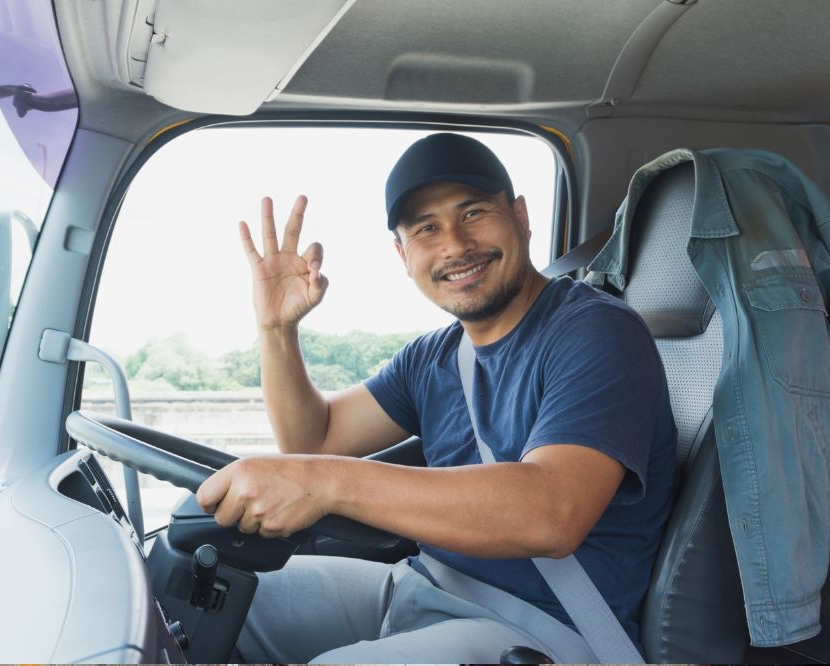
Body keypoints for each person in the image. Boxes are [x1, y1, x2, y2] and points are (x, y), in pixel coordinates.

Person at [197, 132, 679, 663]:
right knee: (212, 597)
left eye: (473, 212)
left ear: (520, 216)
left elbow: (552, 512)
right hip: (426, 587)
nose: (454, 244)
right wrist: (275, 330)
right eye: (427, 228)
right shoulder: (433, 356)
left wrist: (322, 483)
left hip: (547, 632)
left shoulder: (598, 332)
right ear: (403, 256)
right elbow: (316, 438)